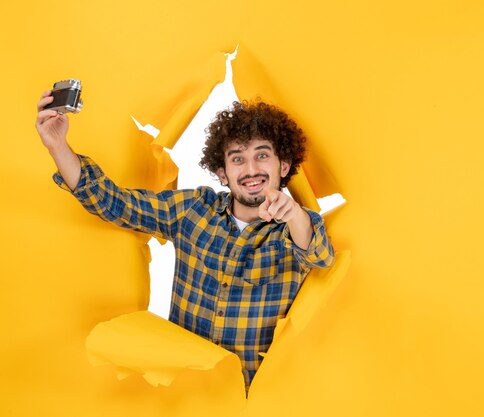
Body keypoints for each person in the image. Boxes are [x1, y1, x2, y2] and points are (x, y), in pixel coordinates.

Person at [35, 91, 336, 388]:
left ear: (282, 166)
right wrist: (57, 146)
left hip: (255, 400)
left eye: (261, 155)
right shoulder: (193, 209)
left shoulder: (297, 227)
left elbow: (319, 255)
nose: (251, 170)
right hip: (185, 396)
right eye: (237, 159)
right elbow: (116, 204)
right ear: (222, 172)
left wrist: (295, 214)